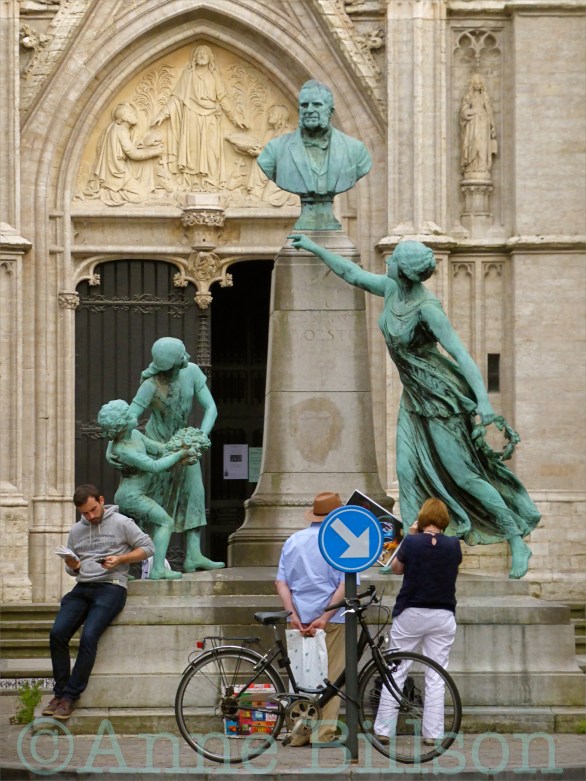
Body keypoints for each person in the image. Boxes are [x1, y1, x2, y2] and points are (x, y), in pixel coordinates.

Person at [288, 234, 540, 579]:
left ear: (403, 271)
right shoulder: (393, 291)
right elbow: (352, 274)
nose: (386, 262)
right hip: (414, 397)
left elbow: (461, 354)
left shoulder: (427, 309)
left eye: (392, 260)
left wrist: (484, 402)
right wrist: (314, 247)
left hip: (441, 398)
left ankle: (515, 538)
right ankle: (404, 552)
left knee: (464, 476)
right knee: (406, 473)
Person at [42, 484, 154, 720]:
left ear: (101, 500)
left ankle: (70, 697)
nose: (90, 516)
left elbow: (148, 547)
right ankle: (59, 693)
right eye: (84, 513)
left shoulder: (122, 522)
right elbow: (72, 568)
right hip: (83, 586)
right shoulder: (76, 531)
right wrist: (73, 566)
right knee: (57, 633)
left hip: (111, 587)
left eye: (93, 510)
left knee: (89, 636)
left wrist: (121, 558)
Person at [126, 337, 224, 571]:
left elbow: (211, 408)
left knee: (195, 494)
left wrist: (199, 437)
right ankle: (151, 561)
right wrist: (130, 445)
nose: (187, 357)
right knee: (156, 500)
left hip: (185, 444)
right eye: (182, 355)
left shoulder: (192, 372)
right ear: (171, 364)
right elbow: (129, 420)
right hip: (158, 446)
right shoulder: (150, 385)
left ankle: (194, 554)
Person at [374, 498, 462, 743]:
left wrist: (409, 535)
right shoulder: (454, 545)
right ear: (444, 520)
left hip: (412, 611)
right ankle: (433, 734)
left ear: (422, 519)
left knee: (397, 668)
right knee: (436, 674)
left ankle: (383, 729)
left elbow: (396, 569)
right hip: (443, 614)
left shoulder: (411, 542)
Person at [98, 398, 201, 580]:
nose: (133, 414)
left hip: (135, 494)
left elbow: (158, 449)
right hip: (132, 497)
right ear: (122, 425)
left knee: (130, 535)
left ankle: (118, 571)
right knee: (165, 522)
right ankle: (158, 570)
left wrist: (179, 445)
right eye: (129, 415)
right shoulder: (123, 450)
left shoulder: (135, 436)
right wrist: (180, 454)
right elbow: (154, 466)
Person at [275, 491, 346, 746]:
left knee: (300, 676)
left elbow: (281, 581)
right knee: (332, 676)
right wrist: (325, 617)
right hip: (333, 620)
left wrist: (292, 614)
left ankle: (298, 733)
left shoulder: (293, 541)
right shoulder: (338, 542)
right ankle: (322, 734)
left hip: (298, 617)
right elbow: (344, 585)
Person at [257, 80, 371, 229]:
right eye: (304, 106)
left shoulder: (356, 151)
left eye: (316, 105)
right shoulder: (275, 150)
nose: (309, 110)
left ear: (330, 111)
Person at [151, 44, 246, 190]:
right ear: (194, 58)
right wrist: (162, 114)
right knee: (192, 151)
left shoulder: (214, 76)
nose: (202, 56)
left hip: (210, 118)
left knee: (211, 150)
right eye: (199, 53)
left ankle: (210, 182)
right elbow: (176, 98)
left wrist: (235, 117)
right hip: (191, 116)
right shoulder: (188, 75)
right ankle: (193, 183)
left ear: (210, 58)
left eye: (205, 54)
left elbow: (223, 98)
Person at [88, 103, 164, 205]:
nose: (135, 114)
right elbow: (133, 154)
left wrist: (137, 144)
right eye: (132, 113)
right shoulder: (121, 131)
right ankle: (108, 194)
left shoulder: (112, 127)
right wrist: (155, 152)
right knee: (142, 196)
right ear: (125, 117)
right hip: (117, 174)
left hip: (115, 169)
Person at [460, 73, 497, 179]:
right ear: (472, 85)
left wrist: (492, 126)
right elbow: (464, 111)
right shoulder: (468, 96)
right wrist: (472, 112)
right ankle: (472, 166)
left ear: (482, 85)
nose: (477, 85)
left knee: (482, 145)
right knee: (473, 142)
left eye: (479, 84)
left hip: (483, 123)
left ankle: (482, 166)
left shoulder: (484, 96)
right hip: (472, 124)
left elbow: (489, 110)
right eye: (475, 83)